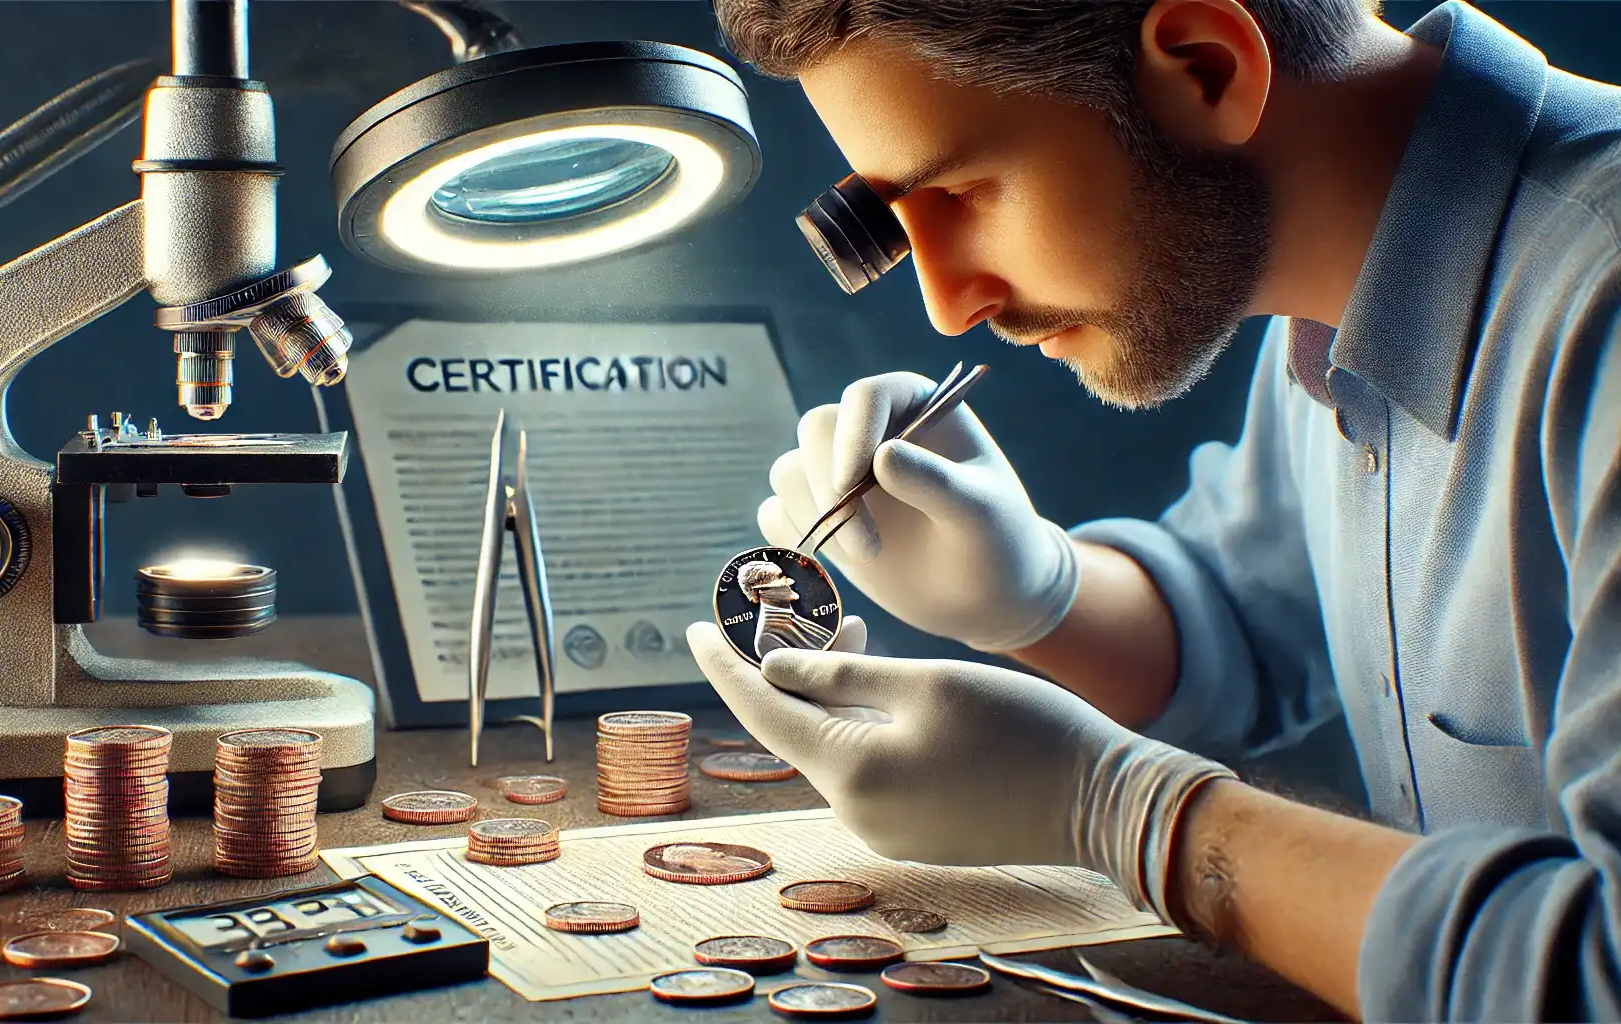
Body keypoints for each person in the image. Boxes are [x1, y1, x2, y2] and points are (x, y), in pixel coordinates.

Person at [680, 1, 1621, 1020]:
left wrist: (1131, 816)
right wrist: (1038, 595)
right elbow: (1240, 626)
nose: (949, 305)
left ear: (1209, 68)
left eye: (959, 188)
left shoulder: (1599, 308)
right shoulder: (1327, 289)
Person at [736, 560, 838, 656]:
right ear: (762, 591)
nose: (789, 584)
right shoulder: (767, 638)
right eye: (780, 580)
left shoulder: (793, 619)